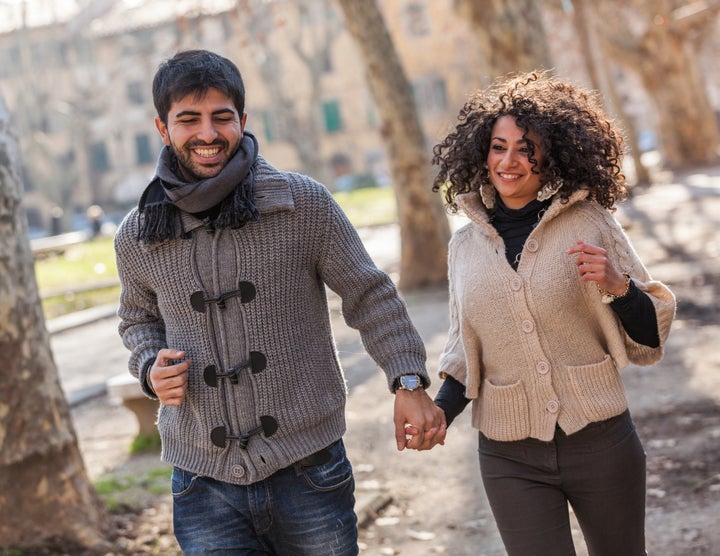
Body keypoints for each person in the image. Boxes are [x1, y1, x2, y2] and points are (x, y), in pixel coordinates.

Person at [114, 49, 446, 555]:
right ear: (162, 128)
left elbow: (369, 292)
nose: (208, 133)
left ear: (243, 122)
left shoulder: (301, 203)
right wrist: (147, 368)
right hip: (201, 484)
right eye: (189, 119)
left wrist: (407, 379)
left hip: (309, 470)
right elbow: (137, 320)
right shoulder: (139, 232)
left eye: (221, 117)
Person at [425, 71, 676, 555]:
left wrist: (617, 287)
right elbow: (464, 354)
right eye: (499, 147)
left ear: (553, 156)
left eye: (526, 148)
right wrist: (439, 413)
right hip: (508, 455)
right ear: (483, 154)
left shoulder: (589, 222)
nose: (510, 161)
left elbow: (650, 338)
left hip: (601, 442)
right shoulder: (464, 247)